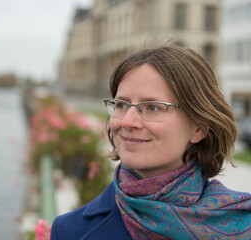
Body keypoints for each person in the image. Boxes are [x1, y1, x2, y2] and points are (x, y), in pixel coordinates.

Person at [50, 44, 251, 239]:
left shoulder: (242, 222)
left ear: (199, 127)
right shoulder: (70, 231)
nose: (128, 121)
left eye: (152, 107)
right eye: (121, 104)